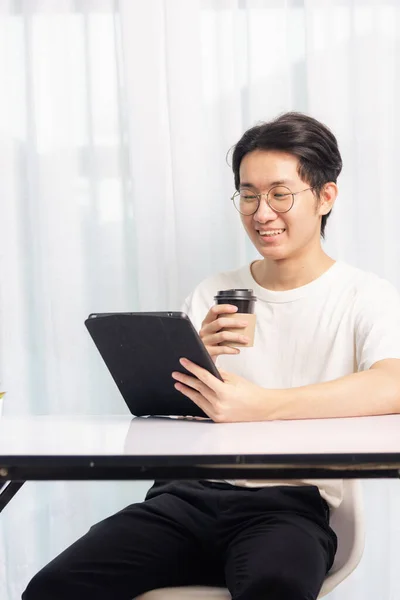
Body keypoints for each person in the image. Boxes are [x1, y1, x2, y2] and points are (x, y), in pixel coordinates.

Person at [23, 112, 400, 600]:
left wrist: (262, 406)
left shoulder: (363, 296)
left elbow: (393, 383)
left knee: (276, 589)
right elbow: (166, 417)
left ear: (325, 196)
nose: (262, 212)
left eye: (280, 193)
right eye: (248, 194)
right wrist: (190, 359)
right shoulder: (214, 292)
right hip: (184, 498)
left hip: (288, 505)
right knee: (54, 588)